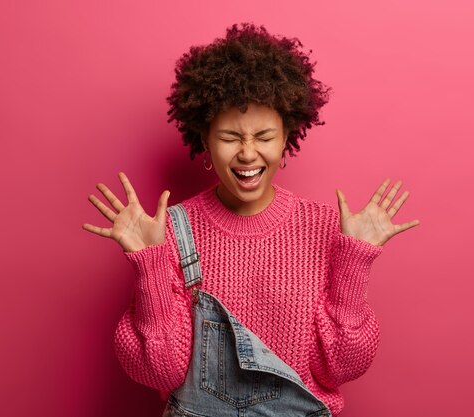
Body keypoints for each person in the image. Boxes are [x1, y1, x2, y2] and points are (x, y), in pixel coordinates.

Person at [82, 22, 420, 417]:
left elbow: (342, 368)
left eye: (263, 136)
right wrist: (151, 264)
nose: (247, 153)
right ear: (204, 141)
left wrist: (354, 262)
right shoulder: (170, 230)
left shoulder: (328, 229)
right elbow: (161, 373)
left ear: (287, 137)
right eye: (229, 138)